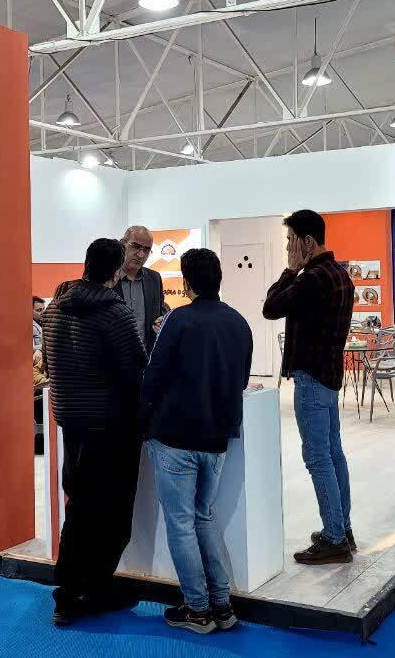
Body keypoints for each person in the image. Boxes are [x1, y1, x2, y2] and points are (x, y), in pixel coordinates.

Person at [140, 248, 252, 635]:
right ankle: (221, 604)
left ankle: (199, 610)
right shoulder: (239, 323)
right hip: (217, 439)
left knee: (181, 523)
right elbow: (240, 381)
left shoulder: (179, 320)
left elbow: (154, 374)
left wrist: (143, 420)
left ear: (186, 282)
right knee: (202, 516)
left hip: (175, 435)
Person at [41, 238, 148, 626]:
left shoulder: (54, 308)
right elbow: (136, 367)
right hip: (111, 426)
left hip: (72, 422)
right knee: (113, 512)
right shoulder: (114, 312)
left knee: (79, 506)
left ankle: (69, 592)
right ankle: (96, 588)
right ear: (116, 271)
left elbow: (48, 364)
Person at [262, 209, 355, 565]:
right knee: (333, 453)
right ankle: (342, 528)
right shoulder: (340, 275)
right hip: (329, 377)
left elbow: (271, 307)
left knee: (318, 457)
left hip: (312, 378)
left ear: (308, 242)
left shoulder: (311, 278)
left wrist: (289, 270)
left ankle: (334, 537)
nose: (288, 247)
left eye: (290, 241)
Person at [116, 225, 171, 350]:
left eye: (146, 250)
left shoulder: (154, 278)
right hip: (115, 357)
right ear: (123, 244)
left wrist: (163, 321)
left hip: (147, 356)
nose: (141, 254)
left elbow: (160, 311)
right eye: (135, 246)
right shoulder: (108, 277)